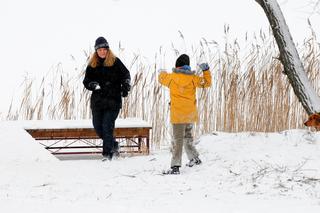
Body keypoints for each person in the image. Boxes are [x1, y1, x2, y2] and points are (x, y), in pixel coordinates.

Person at [158, 54, 212, 174]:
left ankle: (175, 166)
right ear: (188, 66)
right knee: (188, 137)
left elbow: (161, 79)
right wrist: (206, 70)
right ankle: (194, 158)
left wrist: (161, 72)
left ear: (177, 65)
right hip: (189, 114)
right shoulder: (193, 79)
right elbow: (207, 83)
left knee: (178, 140)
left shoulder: (171, 77)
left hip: (177, 115)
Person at [83, 36, 131, 161]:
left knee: (107, 125)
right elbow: (86, 80)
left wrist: (125, 86)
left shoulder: (115, 61)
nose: (102, 52)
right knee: (98, 127)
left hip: (113, 100)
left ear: (108, 50)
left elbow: (126, 75)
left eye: (104, 49)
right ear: (96, 51)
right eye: (100, 50)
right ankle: (114, 145)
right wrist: (92, 85)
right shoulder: (92, 64)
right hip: (98, 102)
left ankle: (107, 155)